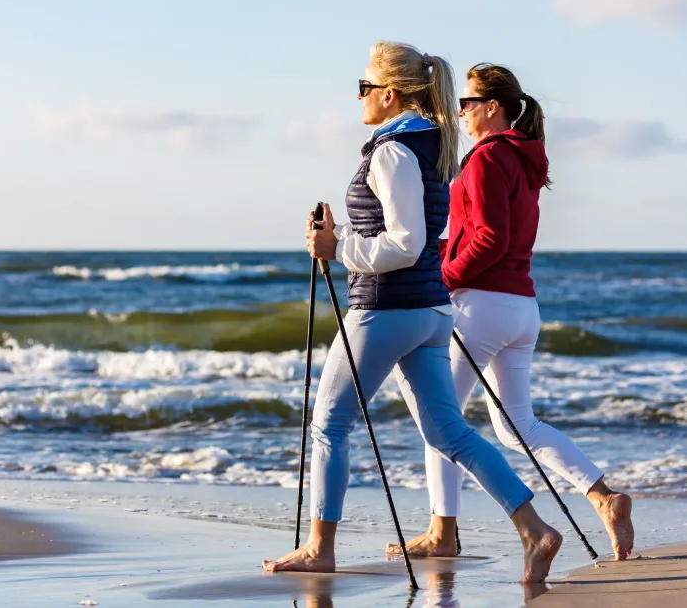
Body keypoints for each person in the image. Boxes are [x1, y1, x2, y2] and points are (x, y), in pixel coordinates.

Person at [261, 42, 562, 584]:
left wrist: (338, 250)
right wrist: (344, 235)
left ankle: (319, 549)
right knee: (449, 432)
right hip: (430, 310)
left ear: (389, 94)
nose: (358, 98)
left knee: (329, 424)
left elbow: (404, 242)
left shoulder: (393, 150)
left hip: (386, 308)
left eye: (362, 88)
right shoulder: (432, 145)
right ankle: (535, 529)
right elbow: (412, 236)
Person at [386, 63, 635, 561]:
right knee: (516, 423)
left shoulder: (485, 159)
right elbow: (488, 233)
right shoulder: (523, 158)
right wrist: (441, 251)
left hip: (480, 305)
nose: (460, 112)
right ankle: (603, 497)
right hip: (521, 307)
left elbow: (489, 238)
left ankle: (442, 533)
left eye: (467, 104)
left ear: (492, 107)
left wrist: (445, 276)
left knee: (441, 421)